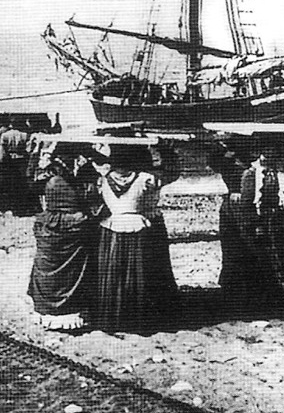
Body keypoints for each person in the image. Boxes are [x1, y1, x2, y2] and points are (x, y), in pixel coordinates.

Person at [92, 143, 178, 334]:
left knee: (115, 272)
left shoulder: (105, 178)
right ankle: (139, 316)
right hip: (139, 228)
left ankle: (115, 315)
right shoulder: (146, 178)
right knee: (138, 272)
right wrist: (166, 149)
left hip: (112, 226)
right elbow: (172, 173)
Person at [28, 143, 98, 331]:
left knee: (48, 263)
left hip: (50, 224)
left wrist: (41, 156)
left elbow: (32, 183)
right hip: (75, 225)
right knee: (74, 270)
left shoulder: (47, 175)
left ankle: (48, 311)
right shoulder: (85, 175)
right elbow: (93, 200)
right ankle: (74, 310)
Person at [239, 146, 284, 311]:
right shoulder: (250, 175)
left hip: (281, 223)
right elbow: (246, 205)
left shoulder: (282, 173)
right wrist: (254, 227)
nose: (269, 156)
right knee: (265, 264)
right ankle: (269, 304)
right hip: (262, 223)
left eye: (272, 152)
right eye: (265, 152)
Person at [208, 139, 257, 316]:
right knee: (243, 247)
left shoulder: (228, 162)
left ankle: (236, 289)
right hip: (241, 206)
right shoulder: (243, 166)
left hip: (232, 205)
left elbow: (213, 162)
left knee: (233, 248)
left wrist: (222, 147)